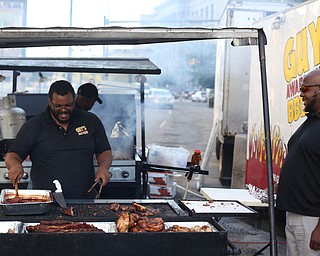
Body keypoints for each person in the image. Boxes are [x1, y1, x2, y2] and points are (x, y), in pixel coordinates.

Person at [5, 80, 112, 199]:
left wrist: (103, 167)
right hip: (45, 201)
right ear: (50, 102)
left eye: (68, 105)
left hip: (85, 200)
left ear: (74, 99)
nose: (63, 111)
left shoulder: (91, 121)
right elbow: (13, 155)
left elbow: (104, 151)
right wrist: (15, 165)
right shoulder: (34, 125)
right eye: (58, 106)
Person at [277, 69, 320, 255]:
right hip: (293, 213)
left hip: (311, 219)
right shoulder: (310, 122)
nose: (301, 94)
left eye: (305, 89)